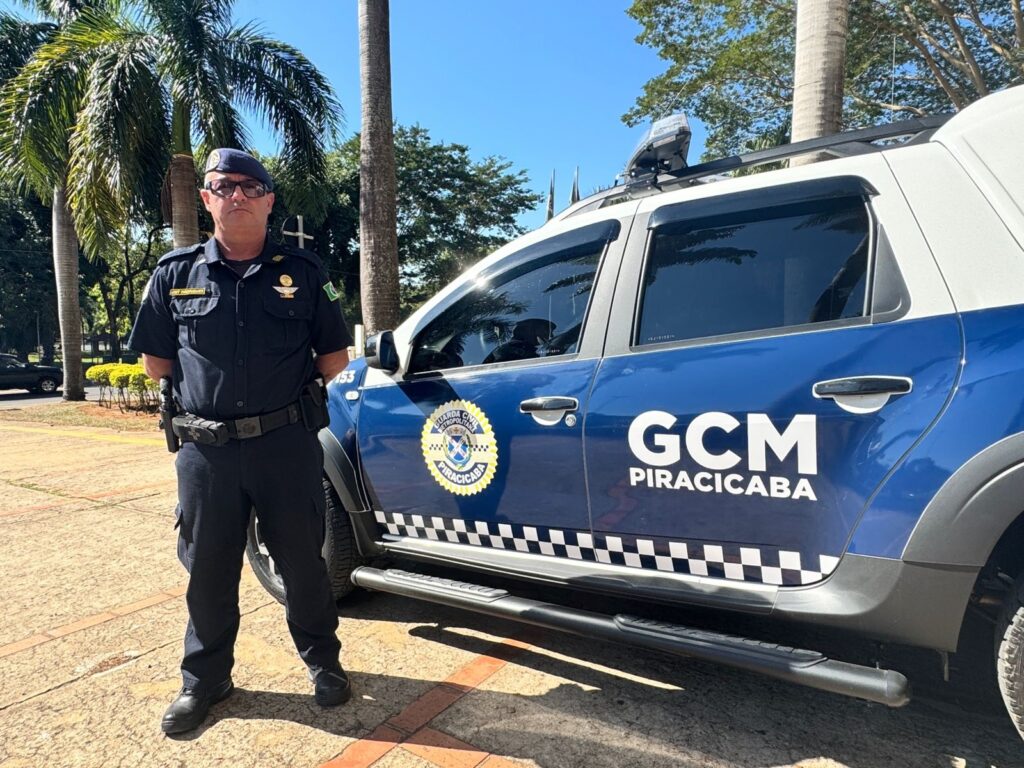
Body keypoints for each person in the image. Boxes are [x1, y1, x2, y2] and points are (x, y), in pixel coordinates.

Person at [128, 148, 353, 735]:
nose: (237, 195)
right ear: (205, 198)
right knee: (207, 568)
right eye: (223, 185)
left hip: (286, 445)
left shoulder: (305, 273)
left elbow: (333, 358)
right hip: (207, 453)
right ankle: (205, 680)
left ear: (270, 199)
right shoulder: (174, 273)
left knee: (304, 563)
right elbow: (157, 364)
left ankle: (323, 663)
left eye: (251, 186)